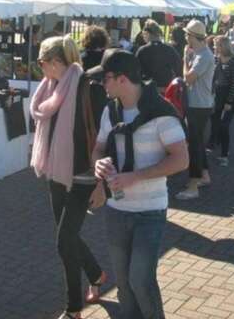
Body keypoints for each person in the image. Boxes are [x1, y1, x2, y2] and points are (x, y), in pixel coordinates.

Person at [89, 50, 189, 319]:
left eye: (105, 79)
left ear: (121, 79)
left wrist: (136, 176)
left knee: (141, 281)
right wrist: (98, 165)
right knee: (123, 286)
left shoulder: (161, 113)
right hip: (116, 209)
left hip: (150, 212)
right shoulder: (110, 111)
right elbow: (98, 148)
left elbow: (181, 160)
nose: (101, 85)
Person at [29, 35, 107, 319]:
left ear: (57, 62)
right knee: (68, 236)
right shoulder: (49, 88)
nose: (40, 68)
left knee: (64, 241)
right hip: (56, 172)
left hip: (83, 175)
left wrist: (102, 182)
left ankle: (74, 309)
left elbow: (104, 135)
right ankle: (97, 274)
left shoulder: (87, 87)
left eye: (42, 62)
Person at [176, 20, 216, 200]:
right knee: (197, 143)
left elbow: (188, 78)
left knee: (195, 146)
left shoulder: (203, 55)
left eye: (187, 34)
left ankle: (193, 186)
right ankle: (204, 176)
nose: (185, 38)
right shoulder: (201, 53)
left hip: (198, 106)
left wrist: (185, 58)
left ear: (193, 37)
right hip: (199, 104)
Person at [207, 36, 234, 167]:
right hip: (218, 95)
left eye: (217, 45)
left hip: (231, 96)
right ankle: (213, 143)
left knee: (224, 125)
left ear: (223, 46)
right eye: (215, 45)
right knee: (215, 120)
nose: (215, 47)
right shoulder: (216, 59)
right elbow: (213, 78)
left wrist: (229, 101)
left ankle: (224, 154)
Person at [136, 20, 182, 94]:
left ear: (147, 33)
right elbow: (179, 70)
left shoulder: (142, 50)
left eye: (143, 34)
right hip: (166, 92)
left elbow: (135, 73)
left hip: (147, 92)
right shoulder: (170, 49)